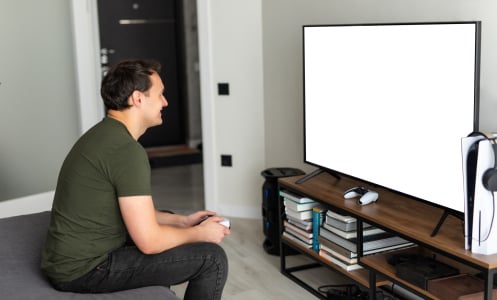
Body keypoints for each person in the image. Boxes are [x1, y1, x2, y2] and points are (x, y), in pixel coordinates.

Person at [41, 60, 230, 299]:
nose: (165, 102)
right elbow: (149, 242)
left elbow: (126, 210)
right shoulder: (127, 151)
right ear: (138, 99)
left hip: (66, 259)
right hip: (83, 270)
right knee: (212, 259)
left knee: (169, 220)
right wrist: (201, 234)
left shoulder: (103, 134)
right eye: (160, 94)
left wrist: (182, 222)